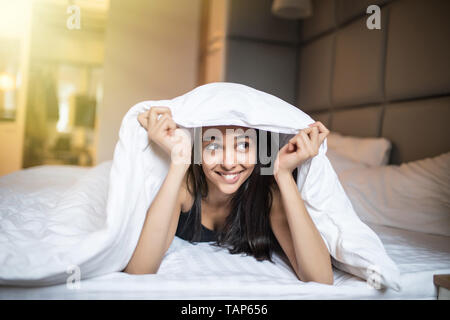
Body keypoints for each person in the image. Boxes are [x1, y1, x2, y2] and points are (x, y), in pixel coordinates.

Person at [124, 106, 333, 285]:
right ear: (197, 149)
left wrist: (283, 173)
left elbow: (320, 278)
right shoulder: (185, 188)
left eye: (244, 145)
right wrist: (179, 162)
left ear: (259, 150)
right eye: (213, 146)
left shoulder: (267, 193)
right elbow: (139, 271)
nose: (229, 163)